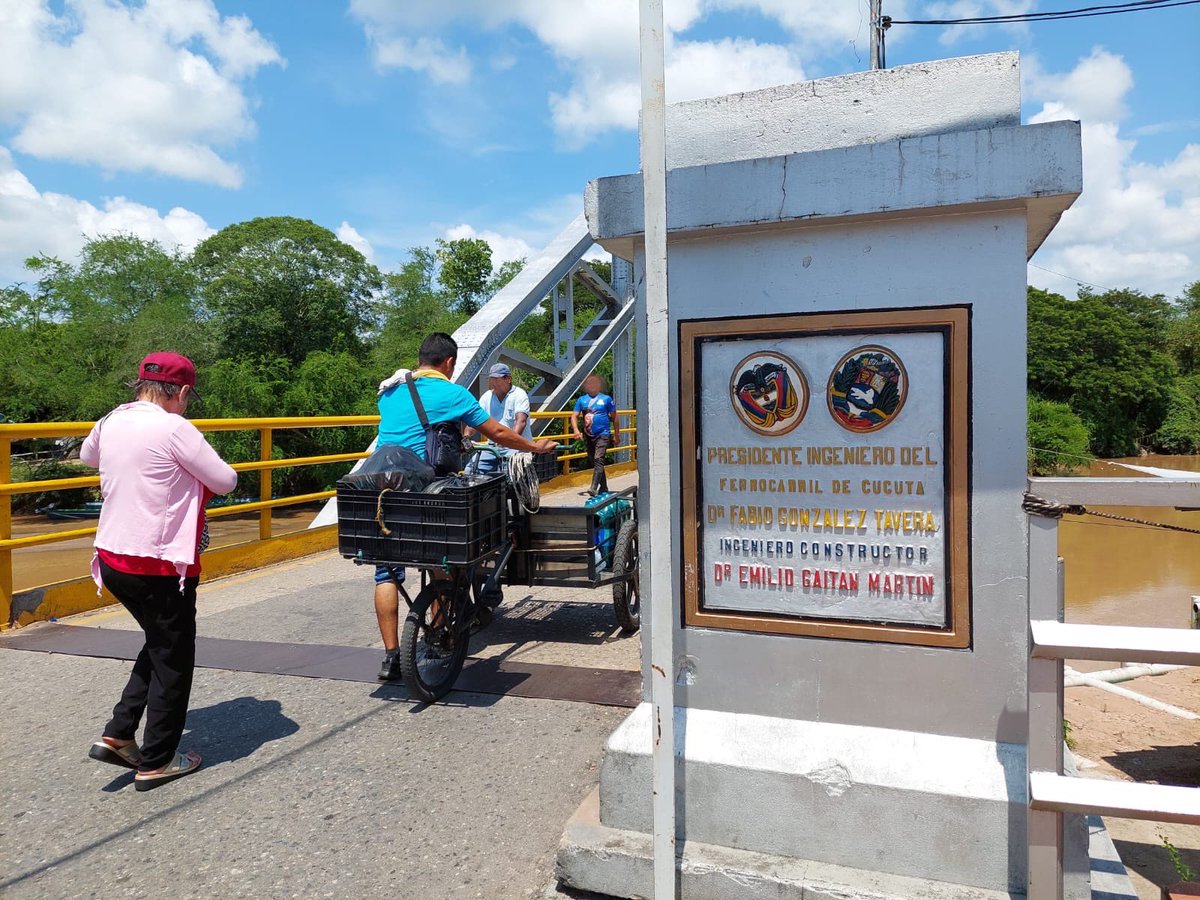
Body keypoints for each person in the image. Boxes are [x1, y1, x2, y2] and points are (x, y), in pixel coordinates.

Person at [80, 352, 237, 791]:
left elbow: (88, 457)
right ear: (183, 392)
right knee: (174, 655)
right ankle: (158, 759)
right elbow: (226, 480)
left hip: (112, 558)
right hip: (158, 564)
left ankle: (119, 733)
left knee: (160, 640)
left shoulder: (112, 420)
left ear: (139, 384)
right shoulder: (174, 428)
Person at [373, 333, 557, 680]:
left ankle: (391, 657)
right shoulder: (452, 393)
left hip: (384, 489)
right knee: (447, 553)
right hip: (427, 490)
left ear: (420, 358)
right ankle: (442, 633)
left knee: (386, 573)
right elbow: (498, 434)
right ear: (449, 363)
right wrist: (536, 448)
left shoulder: (389, 391)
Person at [469, 363, 532, 473]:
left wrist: (507, 440)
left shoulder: (519, 395)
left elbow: (521, 421)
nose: (493, 382)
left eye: (497, 379)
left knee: (509, 476)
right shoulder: (486, 397)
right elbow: (474, 421)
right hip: (493, 447)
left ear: (508, 379)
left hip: (516, 446)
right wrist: (466, 437)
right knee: (470, 471)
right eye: (491, 379)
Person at [571, 374, 620, 497]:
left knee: (599, 459)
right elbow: (574, 416)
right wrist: (576, 430)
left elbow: (615, 417)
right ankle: (604, 487)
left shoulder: (606, 399)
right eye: (589, 383)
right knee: (595, 461)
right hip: (589, 435)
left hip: (603, 434)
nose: (592, 385)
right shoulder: (581, 400)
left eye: (595, 383)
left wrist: (617, 435)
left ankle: (593, 487)